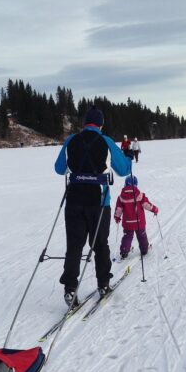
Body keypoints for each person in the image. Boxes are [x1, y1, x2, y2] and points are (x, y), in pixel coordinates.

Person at [55, 106, 131, 306]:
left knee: (74, 246)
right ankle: (103, 284)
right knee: (99, 245)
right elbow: (123, 170)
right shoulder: (105, 141)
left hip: (73, 200)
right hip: (99, 202)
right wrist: (128, 159)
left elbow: (59, 168)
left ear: (85, 123)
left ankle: (70, 289)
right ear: (101, 124)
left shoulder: (71, 140)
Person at [114, 175, 158, 259]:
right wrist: (154, 209)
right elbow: (147, 205)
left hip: (127, 223)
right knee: (142, 236)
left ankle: (124, 251)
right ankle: (144, 249)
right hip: (139, 222)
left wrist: (117, 217)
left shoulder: (121, 197)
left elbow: (118, 209)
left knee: (127, 236)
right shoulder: (140, 195)